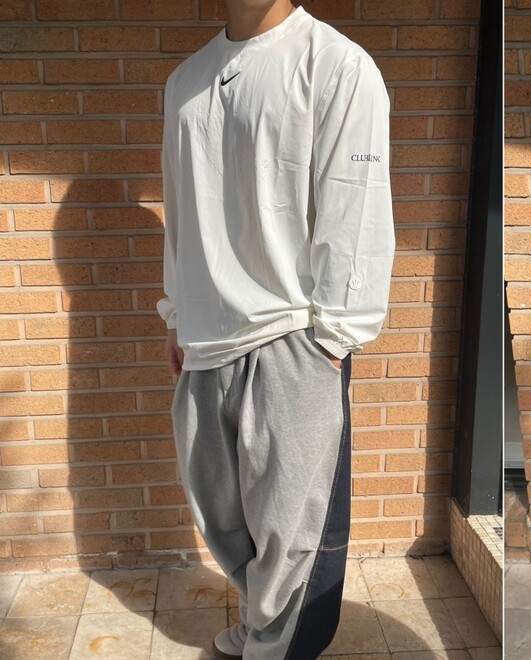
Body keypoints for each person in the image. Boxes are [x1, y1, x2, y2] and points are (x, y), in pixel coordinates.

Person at [157, 0, 394, 657]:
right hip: (205, 335)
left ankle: (277, 644)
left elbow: (356, 207)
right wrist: (176, 312)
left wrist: (332, 340)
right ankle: (263, 630)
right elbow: (180, 206)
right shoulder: (186, 81)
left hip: (292, 338)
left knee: (297, 541)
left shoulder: (335, 64)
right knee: (224, 517)